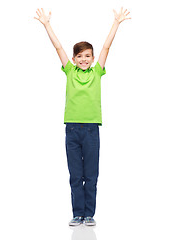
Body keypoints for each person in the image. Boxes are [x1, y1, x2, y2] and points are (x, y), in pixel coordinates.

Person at [34, 7, 131, 226]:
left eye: (88, 56)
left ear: (93, 58)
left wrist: (116, 22)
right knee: (76, 176)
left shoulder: (97, 72)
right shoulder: (69, 71)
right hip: (72, 130)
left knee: (92, 176)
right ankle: (78, 213)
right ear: (74, 59)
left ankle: (89, 215)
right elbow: (57, 46)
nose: (84, 60)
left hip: (91, 130)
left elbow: (107, 46)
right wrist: (46, 24)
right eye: (80, 56)